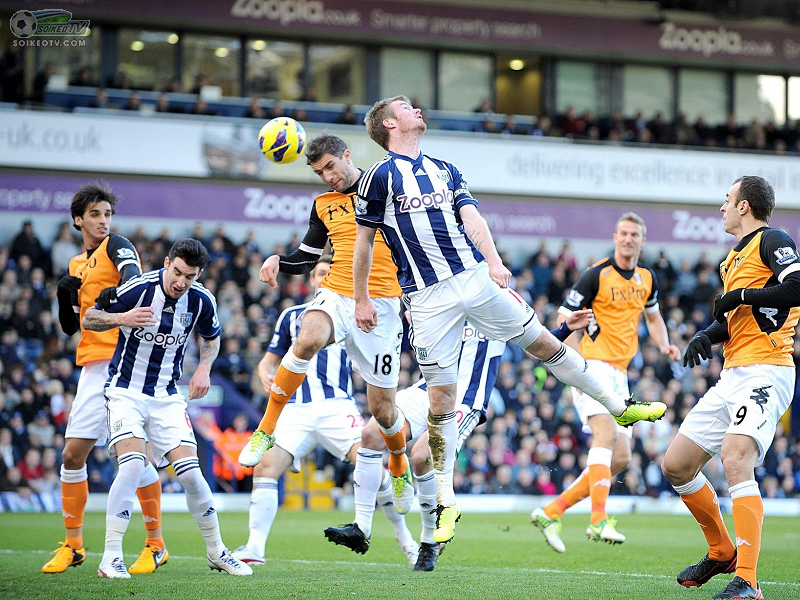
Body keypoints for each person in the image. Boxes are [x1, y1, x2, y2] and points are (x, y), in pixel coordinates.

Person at [353, 95, 666, 544]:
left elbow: (472, 217)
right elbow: (364, 243)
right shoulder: (377, 178)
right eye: (406, 106)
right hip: (426, 299)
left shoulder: (444, 167)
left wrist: (495, 262)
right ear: (388, 122)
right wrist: (362, 298)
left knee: (542, 341)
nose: (416, 109)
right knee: (442, 402)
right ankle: (445, 502)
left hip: (474, 278)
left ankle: (621, 406)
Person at [324, 311, 591, 571]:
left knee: (421, 457)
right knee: (371, 434)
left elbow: (534, 346)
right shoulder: (443, 292)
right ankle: (361, 526)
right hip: (426, 390)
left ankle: (428, 542)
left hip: (465, 401)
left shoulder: (495, 302)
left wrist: (566, 327)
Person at [238, 134, 413, 512]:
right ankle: (266, 429)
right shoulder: (323, 205)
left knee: (383, 410)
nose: (327, 177)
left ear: (347, 156)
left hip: (382, 306)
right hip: (337, 293)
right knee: (307, 338)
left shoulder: (384, 186)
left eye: (330, 167)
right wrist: (277, 261)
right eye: (319, 172)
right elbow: (306, 256)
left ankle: (398, 463)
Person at [662, 176, 800, 600]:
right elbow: (738, 314)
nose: (722, 207)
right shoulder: (732, 259)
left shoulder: (772, 238)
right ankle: (721, 549)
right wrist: (708, 333)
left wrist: (740, 294)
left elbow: (795, 287)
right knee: (677, 465)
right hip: (734, 373)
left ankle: (748, 581)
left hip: (768, 369)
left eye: (727, 200)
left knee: (734, 456)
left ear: (744, 206)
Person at [83, 239, 251, 578]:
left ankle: (217, 551)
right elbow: (89, 318)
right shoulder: (139, 288)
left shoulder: (202, 299)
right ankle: (111, 556)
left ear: (198, 274)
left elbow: (212, 337)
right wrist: (123, 317)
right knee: (131, 467)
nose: (180, 282)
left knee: (190, 473)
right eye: (176, 272)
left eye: (189, 276)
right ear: (166, 262)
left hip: (167, 395)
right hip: (125, 392)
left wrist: (204, 367)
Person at [233, 257, 417, 566]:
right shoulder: (292, 316)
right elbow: (270, 359)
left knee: (370, 463)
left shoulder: (357, 313)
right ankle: (254, 547)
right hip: (295, 410)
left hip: (337, 406)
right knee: (266, 467)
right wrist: (265, 373)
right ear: (313, 280)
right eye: (320, 273)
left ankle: (406, 540)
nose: (325, 277)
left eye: (330, 273)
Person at [531, 213, 680, 551]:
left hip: (620, 374)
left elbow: (654, 317)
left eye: (635, 235)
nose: (629, 239)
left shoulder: (647, 278)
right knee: (607, 433)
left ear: (642, 240)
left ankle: (551, 511)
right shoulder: (595, 275)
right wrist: (573, 363)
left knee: (622, 457)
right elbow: (562, 317)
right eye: (624, 234)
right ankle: (598, 520)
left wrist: (664, 344)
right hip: (593, 366)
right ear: (615, 237)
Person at [43, 183, 167, 575]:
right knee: (71, 455)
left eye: (107, 214)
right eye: (95, 214)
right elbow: (70, 328)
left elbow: (133, 274)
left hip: (124, 362)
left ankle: (155, 543)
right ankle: (74, 545)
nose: (103, 221)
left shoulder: (118, 245)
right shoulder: (77, 265)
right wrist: (65, 297)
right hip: (92, 365)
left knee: (133, 455)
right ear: (78, 219)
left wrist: (121, 295)